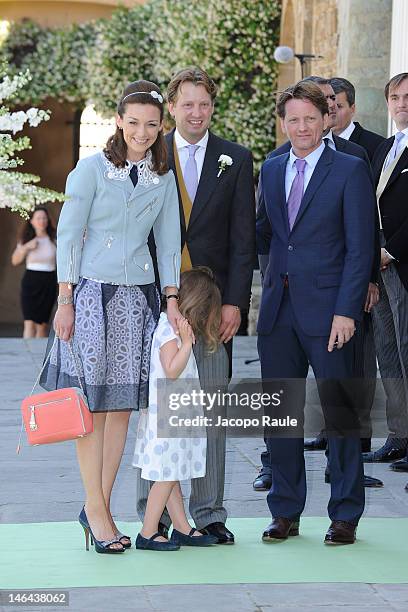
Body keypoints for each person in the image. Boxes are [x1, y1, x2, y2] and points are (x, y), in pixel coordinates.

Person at [40, 80, 181, 554]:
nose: (142, 132)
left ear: (162, 126)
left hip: (138, 301)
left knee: (120, 407)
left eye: (152, 124)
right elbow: (68, 235)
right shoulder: (90, 170)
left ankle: (97, 506)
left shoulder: (163, 177)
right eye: (134, 122)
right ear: (120, 120)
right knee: (89, 408)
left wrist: (173, 299)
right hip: (91, 299)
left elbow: (167, 241)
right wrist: (64, 300)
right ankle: (96, 509)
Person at [137, 67, 255, 546]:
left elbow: (243, 241)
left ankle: (209, 513)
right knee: (158, 413)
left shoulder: (236, 158)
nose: (196, 113)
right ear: (171, 107)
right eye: (187, 104)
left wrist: (234, 303)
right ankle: (157, 515)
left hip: (210, 307)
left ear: (213, 106)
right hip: (154, 303)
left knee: (210, 411)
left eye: (204, 104)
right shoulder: (149, 153)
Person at [257, 81, 375, 544]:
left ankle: (345, 513)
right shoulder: (269, 169)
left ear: (326, 119)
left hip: (331, 315)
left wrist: (347, 310)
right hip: (277, 314)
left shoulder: (349, 169)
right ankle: (285, 511)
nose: (301, 127)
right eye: (293, 119)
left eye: (310, 118)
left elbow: (360, 246)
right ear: (283, 123)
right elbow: (268, 235)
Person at [134, 267, 222, 551]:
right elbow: (172, 370)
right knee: (167, 475)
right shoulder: (170, 332)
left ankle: (182, 527)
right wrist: (186, 344)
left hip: (173, 411)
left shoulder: (171, 327)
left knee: (170, 473)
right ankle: (148, 531)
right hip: (167, 416)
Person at [366, 73, 408, 470]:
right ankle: (399, 435)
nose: (401, 104)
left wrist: (390, 250)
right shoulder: (385, 148)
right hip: (377, 269)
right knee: (389, 355)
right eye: (395, 97)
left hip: (401, 263)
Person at [11, 207, 57, 338]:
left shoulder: (54, 239)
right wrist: (26, 247)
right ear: (31, 221)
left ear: (48, 220)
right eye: (38, 218)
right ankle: (26, 355)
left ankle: (38, 357)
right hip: (31, 281)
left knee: (42, 325)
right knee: (29, 323)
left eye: (44, 218)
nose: (42, 221)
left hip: (48, 281)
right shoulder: (26, 239)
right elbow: (15, 261)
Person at [329, 77, 385, 161]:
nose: (331, 112)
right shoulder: (315, 143)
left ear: (352, 109)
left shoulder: (378, 146)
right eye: (328, 106)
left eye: (339, 106)